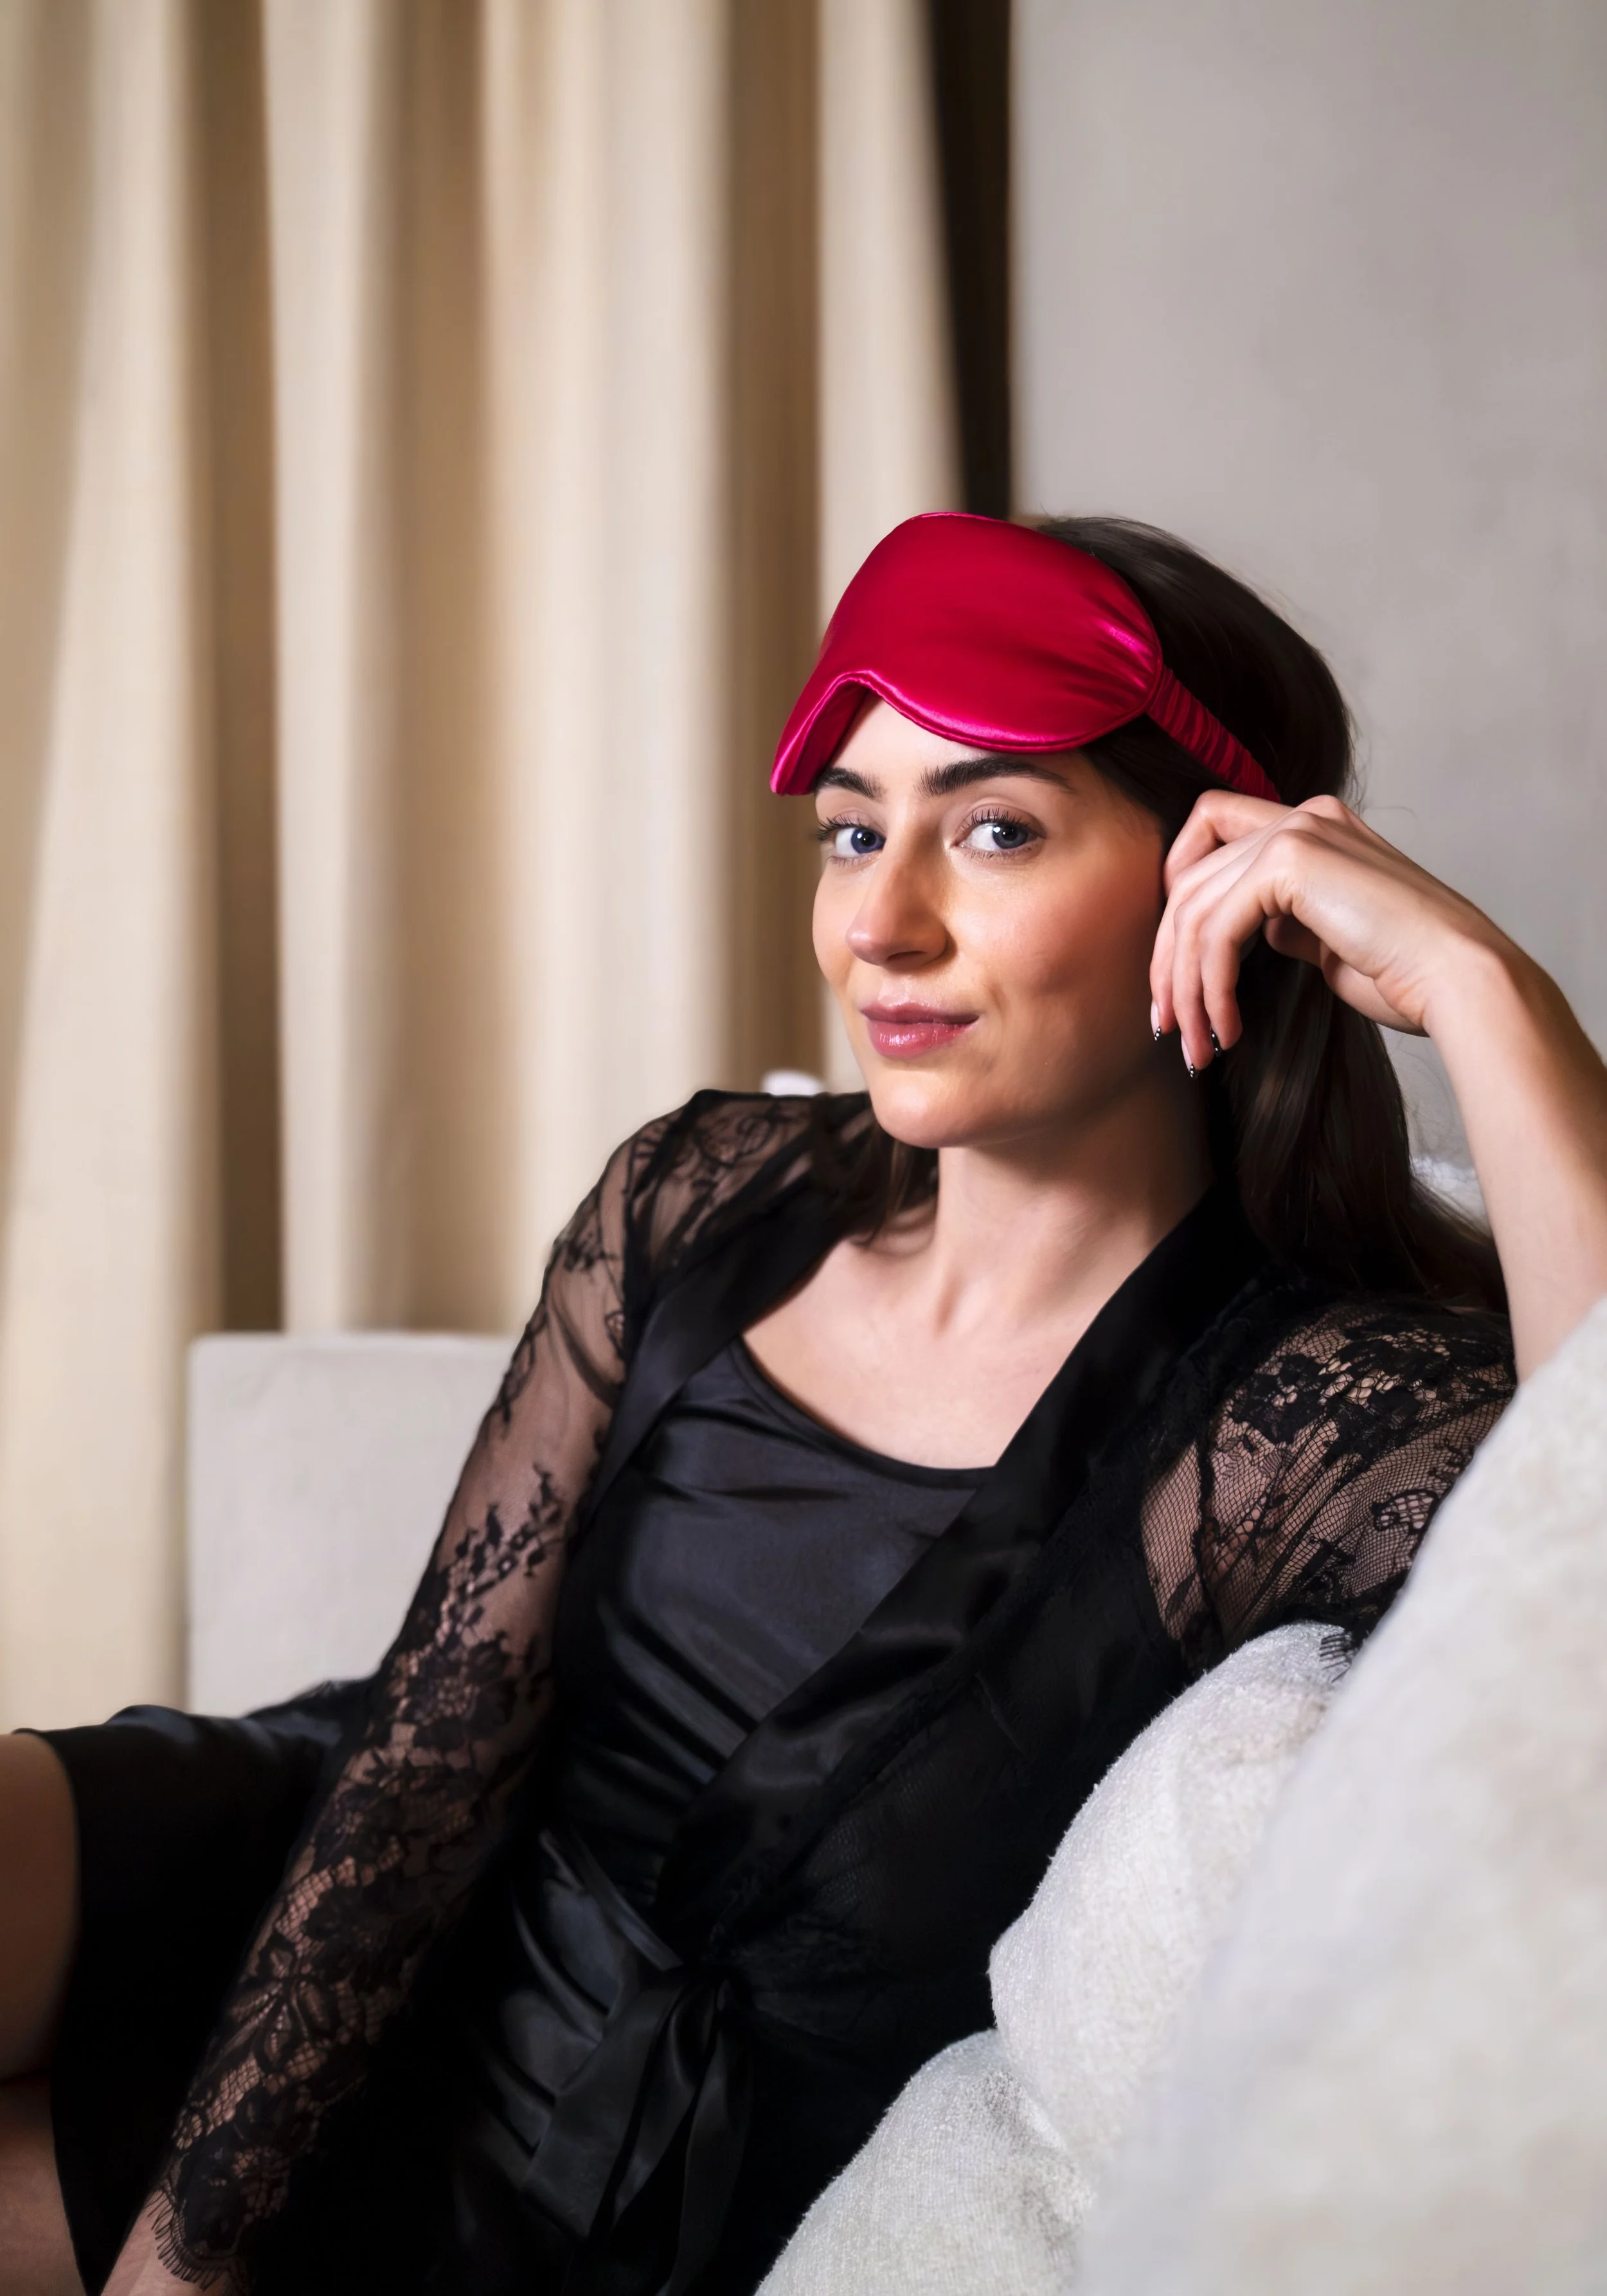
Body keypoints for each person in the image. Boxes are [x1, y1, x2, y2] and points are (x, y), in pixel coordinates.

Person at [3, 512, 1604, 2296]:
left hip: (603, 2183)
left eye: (990, 829)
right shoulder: (701, 1186)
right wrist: (183, 2254)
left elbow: (1592, 1563)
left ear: (1221, 869)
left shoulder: (1301, 1424)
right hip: (373, 1882)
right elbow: (430, 1752)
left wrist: (1483, 993)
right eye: (853, 828)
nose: (880, 923)